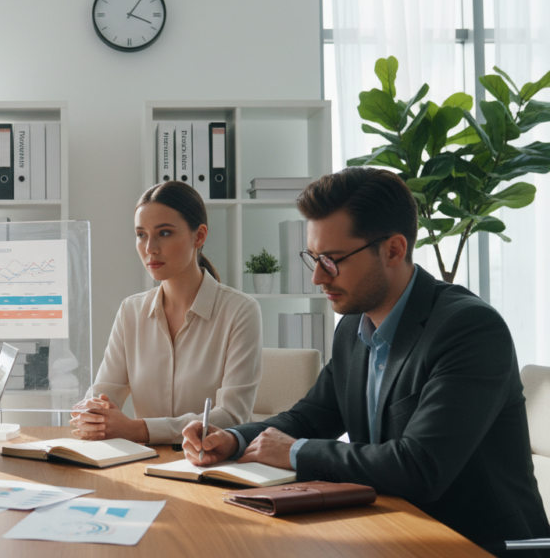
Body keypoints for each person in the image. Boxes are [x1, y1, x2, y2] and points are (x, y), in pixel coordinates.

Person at [182, 167, 549, 555]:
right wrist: (237, 438)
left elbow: (420, 467)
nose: (317, 278)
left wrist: (294, 451)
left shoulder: (469, 330)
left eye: (333, 260)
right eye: (314, 258)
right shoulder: (354, 326)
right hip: (392, 531)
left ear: (394, 249)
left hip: (478, 546)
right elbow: (310, 417)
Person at [70, 181, 262, 444]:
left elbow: (231, 417)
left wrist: (138, 430)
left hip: (212, 465)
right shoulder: (131, 311)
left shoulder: (240, 311)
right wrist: (91, 412)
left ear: (200, 235)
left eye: (165, 233)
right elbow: (105, 392)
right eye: (141, 234)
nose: (150, 248)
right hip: (142, 464)